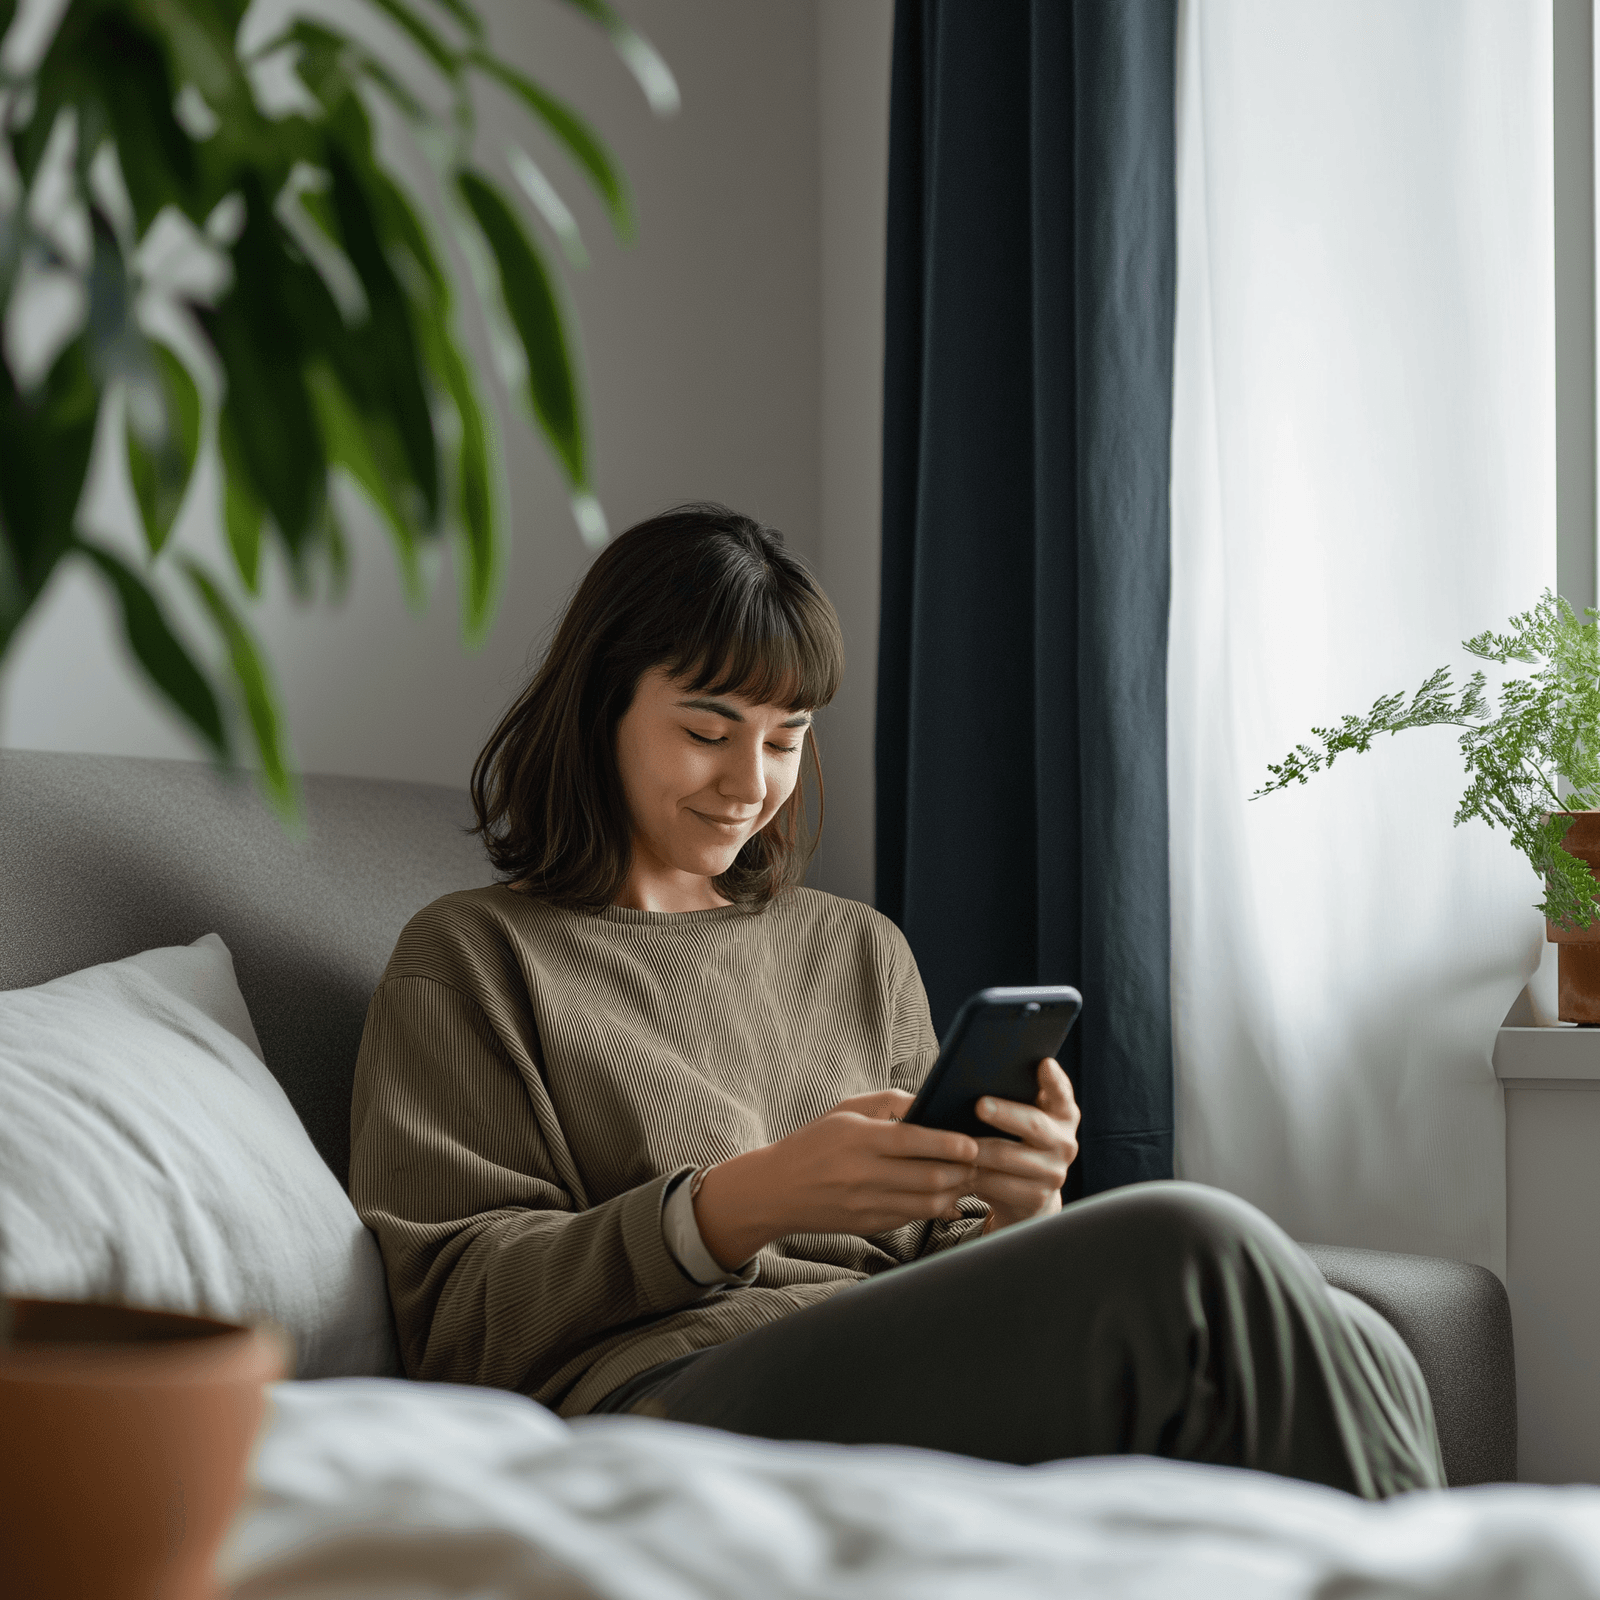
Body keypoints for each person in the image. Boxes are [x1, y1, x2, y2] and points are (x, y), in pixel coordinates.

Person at [349, 503, 1444, 1498]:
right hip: (673, 1402)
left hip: (890, 1360)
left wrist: (1023, 1205)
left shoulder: (857, 947)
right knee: (1189, 1243)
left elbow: (946, 1263)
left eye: (786, 739)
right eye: (705, 730)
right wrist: (741, 1202)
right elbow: (454, 1323)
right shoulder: (476, 957)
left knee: (1363, 1338)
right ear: (601, 710)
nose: (750, 784)